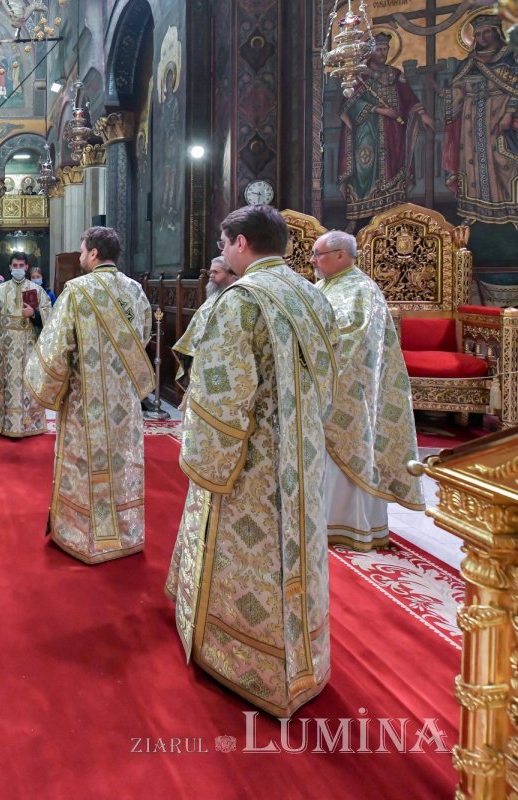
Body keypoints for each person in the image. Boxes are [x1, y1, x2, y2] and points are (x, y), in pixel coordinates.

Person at [165, 205, 338, 718]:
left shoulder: (240, 300)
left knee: (251, 548)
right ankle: (303, 659)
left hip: (254, 461)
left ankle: (248, 656)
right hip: (303, 452)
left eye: (223, 244)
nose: (222, 252)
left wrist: (203, 456)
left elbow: (221, 392)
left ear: (241, 243)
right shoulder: (312, 294)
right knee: (298, 544)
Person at [25, 227, 154, 564]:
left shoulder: (77, 291)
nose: (81, 256)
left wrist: (48, 387)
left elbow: (57, 348)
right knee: (121, 460)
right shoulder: (135, 290)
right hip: (125, 397)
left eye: (83, 250)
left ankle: (83, 534)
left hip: (86, 397)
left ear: (94, 254)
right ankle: (124, 532)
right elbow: (143, 334)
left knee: (84, 462)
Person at [312, 230, 423, 550]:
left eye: (319, 254)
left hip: (350, 391)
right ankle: (318, 522)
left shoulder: (361, 291)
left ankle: (349, 525)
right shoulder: (324, 286)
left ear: (341, 255)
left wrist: (317, 369)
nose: (313, 261)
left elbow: (354, 343)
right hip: (326, 384)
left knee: (350, 449)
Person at [337, 32, 433, 222]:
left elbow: (408, 97)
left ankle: (392, 217)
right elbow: (349, 105)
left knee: (393, 166)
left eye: (385, 49)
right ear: (370, 52)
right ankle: (359, 219)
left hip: (393, 132)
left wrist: (423, 113)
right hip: (367, 131)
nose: (383, 53)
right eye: (379, 49)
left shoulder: (395, 74)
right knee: (364, 169)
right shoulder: (360, 75)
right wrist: (380, 110)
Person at [442, 13, 518, 226]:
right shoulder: (469, 62)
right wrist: (448, 96)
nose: (482, 38)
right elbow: (457, 89)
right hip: (472, 118)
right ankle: (474, 210)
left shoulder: (511, 58)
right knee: (471, 161)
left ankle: (511, 211)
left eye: (487, 32)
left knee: (504, 161)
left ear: (497, 32)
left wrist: (509, 112)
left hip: (498, 114)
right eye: (478, 34)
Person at [0, 253, 52, 438]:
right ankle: (8, 424)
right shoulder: (0, 290)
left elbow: (49, 313)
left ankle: (31, 424)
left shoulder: (36, 290)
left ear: (27, 267)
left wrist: (34, 313)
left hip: (29, 343)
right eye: (15, 265)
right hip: (7, 346)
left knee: (29, 383)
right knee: (9, 383)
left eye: (21, 265)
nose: (18, 268)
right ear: (10, 267)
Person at [172, 255, 239, 386]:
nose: (211, 276)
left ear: (231, 276)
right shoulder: (214, 296)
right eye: (210, 272)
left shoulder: (234, 299)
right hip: (201, 357)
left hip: (222, 361)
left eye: (216, 272)